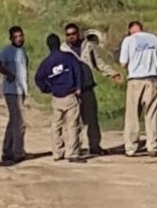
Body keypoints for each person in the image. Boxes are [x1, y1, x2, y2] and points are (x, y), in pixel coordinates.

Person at [61, 24, 122, 155]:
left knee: (92, 120)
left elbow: (98, 63)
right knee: (72, 121)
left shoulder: (87, 46)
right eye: (68, 34)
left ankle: (95, 146)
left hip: (87, 87)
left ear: (78, 34)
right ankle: (74, 148)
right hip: (71, 90)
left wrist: (112, 73)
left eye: (73, 34)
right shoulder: (63, 49)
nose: (71, 37)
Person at [35, 34, 84, 163]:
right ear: (58, 43)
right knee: (72, 125)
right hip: (70, 94)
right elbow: (78, 71)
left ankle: (57, 152)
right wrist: (78, 87)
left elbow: (38, 78)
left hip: (56, 97)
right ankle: (72, 153)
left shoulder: (46, 63)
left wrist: (47, 89)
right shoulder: (69, 57)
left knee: (56, 125)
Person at [118, 21, 157, 157]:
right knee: (152, 114)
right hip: (152, 79)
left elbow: (123, 63)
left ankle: (131, 147)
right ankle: (152, 145)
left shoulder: (128, 40)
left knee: (132, 115)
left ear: (130, 30)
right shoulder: (154, 39)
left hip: (135, 80)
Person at [0, 26, 29, 164]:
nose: (19, 39)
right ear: (11, 38)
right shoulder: (7, 51)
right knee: (20, 122)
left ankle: (7, 151)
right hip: (11, 91)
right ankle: (18, 152)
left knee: (13, 121)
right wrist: (8, 73)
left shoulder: (23, 51)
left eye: (21, 36)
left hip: (21, 90)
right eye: (16, 37)